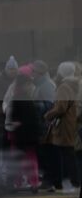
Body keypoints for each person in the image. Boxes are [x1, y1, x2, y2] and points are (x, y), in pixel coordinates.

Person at [42, 61, 78, 192]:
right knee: (69, 154)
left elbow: (61, 107)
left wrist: (48, 114)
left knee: (65, 155)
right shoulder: (73, 84)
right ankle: (73, 182)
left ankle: (69, 183)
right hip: (70, 122)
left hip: (63, 125)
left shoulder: (63, 86)